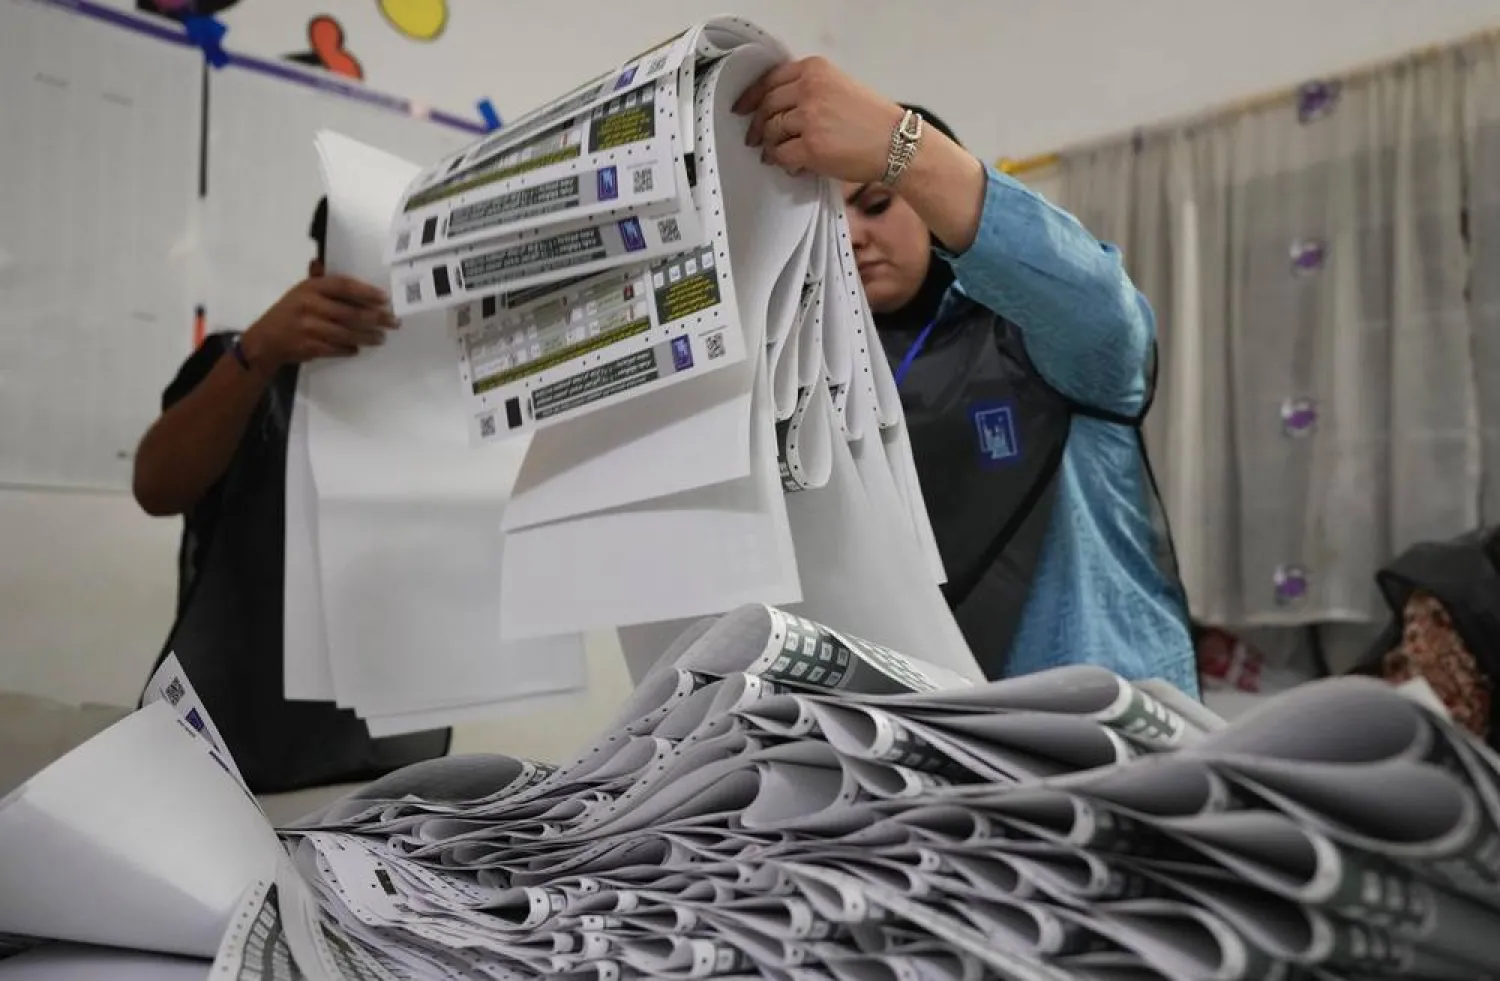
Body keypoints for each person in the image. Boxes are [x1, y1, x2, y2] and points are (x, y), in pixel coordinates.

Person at [735, 60, 1199, 695]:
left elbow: (1104, 312)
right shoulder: (810, 373)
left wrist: (906, 147)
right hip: (933, 746)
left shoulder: (1032, 336)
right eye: (826, 220)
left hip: (1104, 732)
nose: (852, 235)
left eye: (875, 203)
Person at [132, 200, 451, 794]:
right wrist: (259, 351)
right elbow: (156, 486)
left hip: (388, 762)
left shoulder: (440, 400)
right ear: (318, 273)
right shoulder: (244, 365)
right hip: (224, 752)